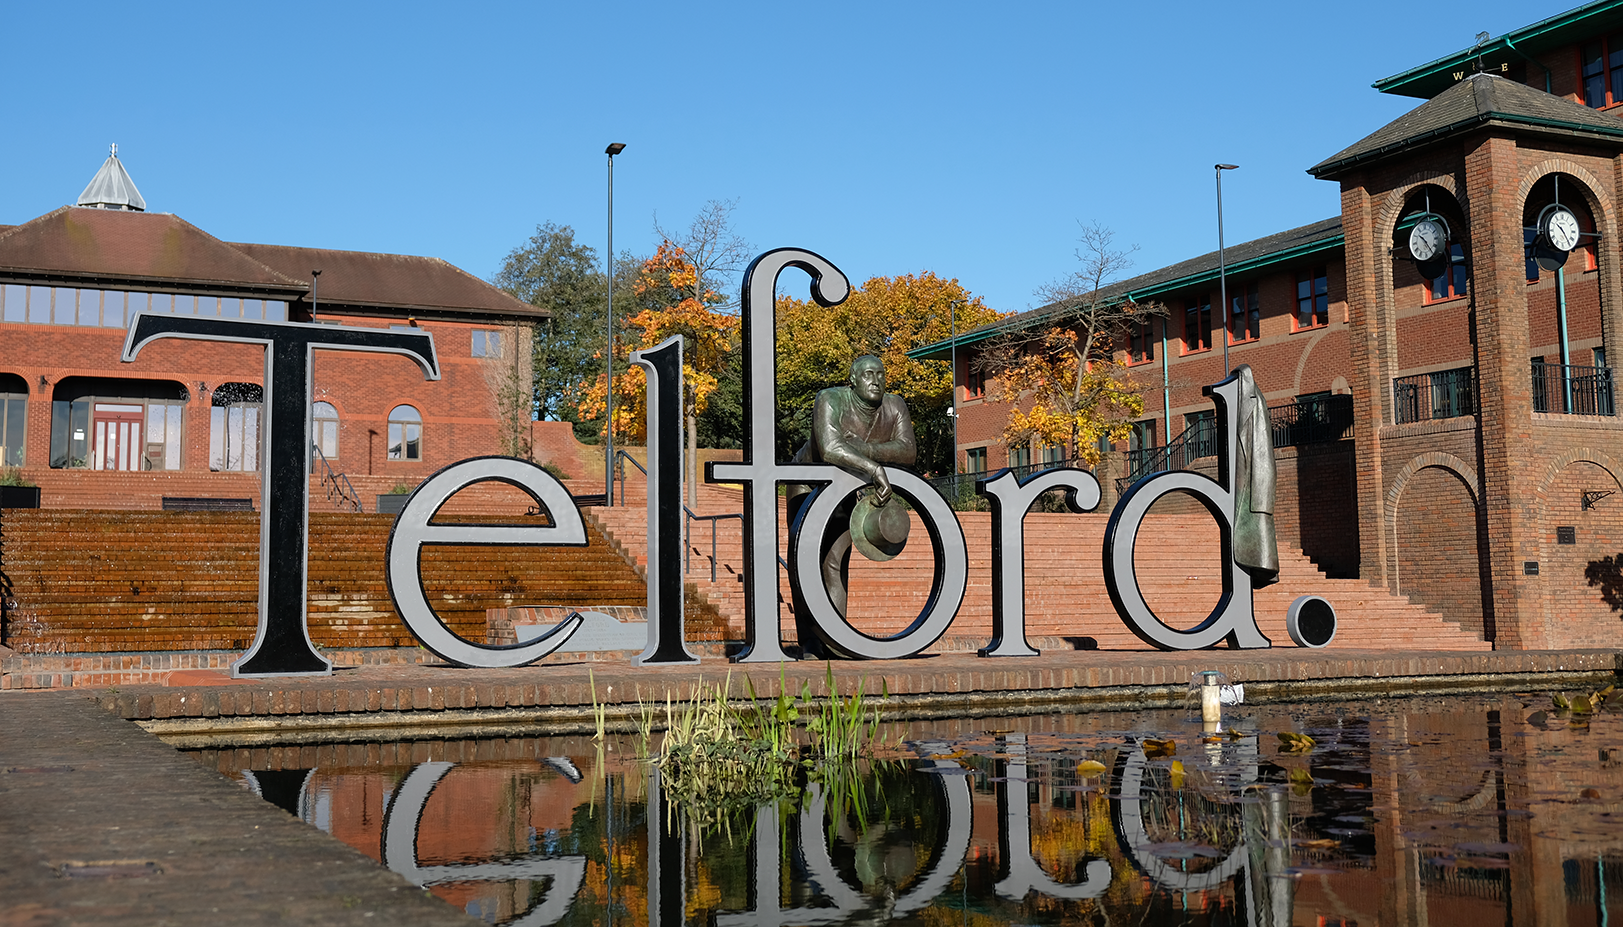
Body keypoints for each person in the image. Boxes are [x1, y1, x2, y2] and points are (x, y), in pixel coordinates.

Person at [786, 355, 917, 653]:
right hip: (809, 482)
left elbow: (908, 451)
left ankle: (834, 641)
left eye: (881, 374)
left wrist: (864, 450)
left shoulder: (894, 407)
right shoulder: (830, 399)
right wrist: (874, 467)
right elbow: (830, 448)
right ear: (853, 381)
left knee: (835, 561)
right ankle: (808, 640)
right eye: (868, 374)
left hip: (846, 486)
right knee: (802, 559)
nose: (876, 379)